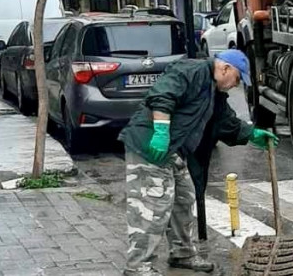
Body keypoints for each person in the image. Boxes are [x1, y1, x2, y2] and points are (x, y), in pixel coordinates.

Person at [118, 50, 279, 276]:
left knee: (184, 198)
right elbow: (162, 95)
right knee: (151, 207)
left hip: (173, 151)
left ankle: (182, 253)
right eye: (237, 79)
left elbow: (225, 122)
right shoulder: (191, 70)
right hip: (149, 147)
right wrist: (161, 132)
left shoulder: (214, 92)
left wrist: (252, 134)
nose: (236, 85)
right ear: (225, 69)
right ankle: (138, 267)